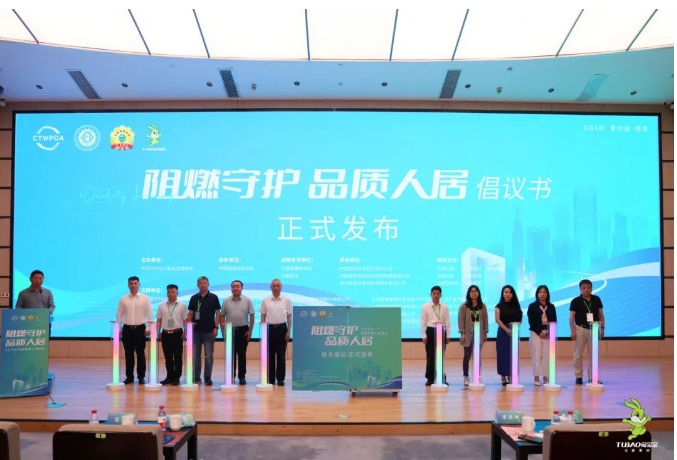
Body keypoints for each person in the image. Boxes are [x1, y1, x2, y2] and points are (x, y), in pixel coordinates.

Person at [116, 276, 151, 385]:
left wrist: (148, 327)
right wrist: (119, 328)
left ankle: (141, 377)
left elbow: (149, 313)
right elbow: (119, 314)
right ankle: (129, 377)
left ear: (139, 284)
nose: (133, 285)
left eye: (135, 283)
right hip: (127, 329)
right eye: (131, 283)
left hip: (140, 329)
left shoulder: (145, 298)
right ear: (128, 285)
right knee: (128, 354)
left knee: (140, 354)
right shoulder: (123, 299)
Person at [569, 279, 605, 385]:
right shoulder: (575, 301)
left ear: (591, 288)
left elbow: (601, 315)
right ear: (580, 289)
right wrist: (572, 331)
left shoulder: (597, 299)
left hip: (594, 329)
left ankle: (593, 377)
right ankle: (578, 376)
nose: (586, 289)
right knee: (578, 354)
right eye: (584, 288)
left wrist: (602, 328)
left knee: (594, 355)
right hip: (580, 329)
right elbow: (571, 317)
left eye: (589, 287)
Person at [187, 276, 221, 386]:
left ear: (208, 284)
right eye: (200, 283)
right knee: (195, 356)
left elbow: (218, 313)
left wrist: (216, 327)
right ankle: (196, 377)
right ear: (197, 285)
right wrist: (189, 327)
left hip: (209, 331)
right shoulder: (193, 298)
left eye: (205, 283)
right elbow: (191, 313)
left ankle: (207, 378)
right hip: (196, 331)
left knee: (209, 356)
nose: (203, 285)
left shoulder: (214, 297)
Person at [221, 280, 255, 385]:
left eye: (238, 286)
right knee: (230, 355)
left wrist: (250, 330)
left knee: (242, 355)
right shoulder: (226, 301)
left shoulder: (247, 300)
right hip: (230, 330)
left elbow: (252, 315)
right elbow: (222, 316)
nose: (235, 288)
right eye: (233, 286)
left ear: (242, 288)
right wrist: (222, 331)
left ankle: (242, 376)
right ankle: (231, 377)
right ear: (231, 288)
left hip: (243, 330)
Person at [260, 278, 292, 386]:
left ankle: (281, 379)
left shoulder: (286, 300)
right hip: (269, 329)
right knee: (270, 356)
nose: (276, 288)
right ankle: (271, 379)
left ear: (281, 287)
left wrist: (288, 331)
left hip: (282, 328)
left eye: (278, 286)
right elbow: (263, 316)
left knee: (281, 356)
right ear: (270, 287)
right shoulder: (265, 300)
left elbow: (289, 317)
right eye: (274, 286)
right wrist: (263, 331)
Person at [156, 284, 187, 385]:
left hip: (177, 333)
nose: (171, 294)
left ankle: (176, 377)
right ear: (167, 293)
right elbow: (159, 320)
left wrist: (186, 331)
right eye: (169, 292)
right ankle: (169, 376)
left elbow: (185, 320)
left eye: (173, 292)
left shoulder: (182, 305)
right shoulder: (162, 305)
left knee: (178, 357)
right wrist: (158, 331)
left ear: (177, 293)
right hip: (165, 334)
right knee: (168, 357)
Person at [458, 285, 488, 387]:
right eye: (472, 291)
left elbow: (485, 319)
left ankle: (477, 375)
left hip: (479, 333)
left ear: (479, 293)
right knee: (467, 355)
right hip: (467, 334)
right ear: (469, 293)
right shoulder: (464, 306)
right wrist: (462, 333)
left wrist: (485, 332)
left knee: (477, 356)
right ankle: (466, 376)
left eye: (476, 291)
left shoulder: (482, 306)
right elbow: (461, 320)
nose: (474, 293)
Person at [421, 285, 451, 386]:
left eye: (438, 293)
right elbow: (423, 321)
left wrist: (448, 334)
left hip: (441, 331)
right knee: (430, 356)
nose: (436, 295)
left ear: (441, 295)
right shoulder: (425, 306)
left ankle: (441, 378)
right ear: (431, 294)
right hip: (430, 331)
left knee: (440, 356)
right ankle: (430, 378)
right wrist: (424, 335)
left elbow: (447, 321)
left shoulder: (445, 307)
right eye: (434, 293)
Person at [527, 285, 557, 386]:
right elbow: (531, 321)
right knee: (536, 355)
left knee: (547, 356)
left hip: (548, 333)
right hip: (536, 333)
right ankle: (536, 377)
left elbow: (553, 320)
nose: (542, 294)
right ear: (537, 294)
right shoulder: (532, 306)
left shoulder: (551, 306)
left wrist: (548, 332)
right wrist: (539, 332)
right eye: (540, 292)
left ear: (547, 294)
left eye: (544, 292)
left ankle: (546, 376)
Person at [495, 285, 523, 386]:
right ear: (503, 294)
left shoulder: (516, 305)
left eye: (510, 292)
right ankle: (503, 375)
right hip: (503, 331)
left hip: (514, 330)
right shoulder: (499, 306)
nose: (508, 294)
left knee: (513, 354)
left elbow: (520, 317)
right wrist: (506, 329)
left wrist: (518, 323)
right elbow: (497, 319)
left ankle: (511, 375)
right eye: (506, 292)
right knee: (502, 354)